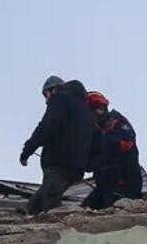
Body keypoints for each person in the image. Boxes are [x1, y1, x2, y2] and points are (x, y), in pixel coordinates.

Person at [20, 75, 94, 214]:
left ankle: (52, 224)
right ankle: (27, 212)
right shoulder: (87, 109)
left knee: (51, 200)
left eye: (46, 95)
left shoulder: (60, 99)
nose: (46, 100)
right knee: (43, 197)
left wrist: (27, 151)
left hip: (58, 161)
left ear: (54, 89)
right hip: (77, 167)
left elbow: (45, 127)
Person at [81, 91, 142, 210]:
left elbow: (125, 145)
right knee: (84, 210)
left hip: (122, 183)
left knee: (113, 211)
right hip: (104, 183)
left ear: (101, 109)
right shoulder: (96, 131)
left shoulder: (118, 123)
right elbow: (90, 162)